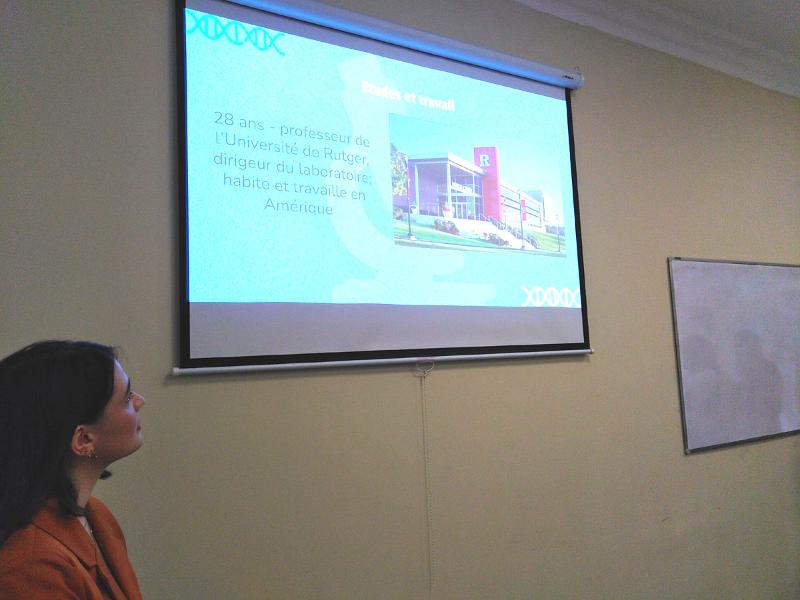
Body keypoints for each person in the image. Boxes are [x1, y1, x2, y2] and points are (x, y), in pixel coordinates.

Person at [0, 340, 145, 599]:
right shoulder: (31, 567)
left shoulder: (96, 515)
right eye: (126, 398)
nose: (139, 402)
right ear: (84, 440)